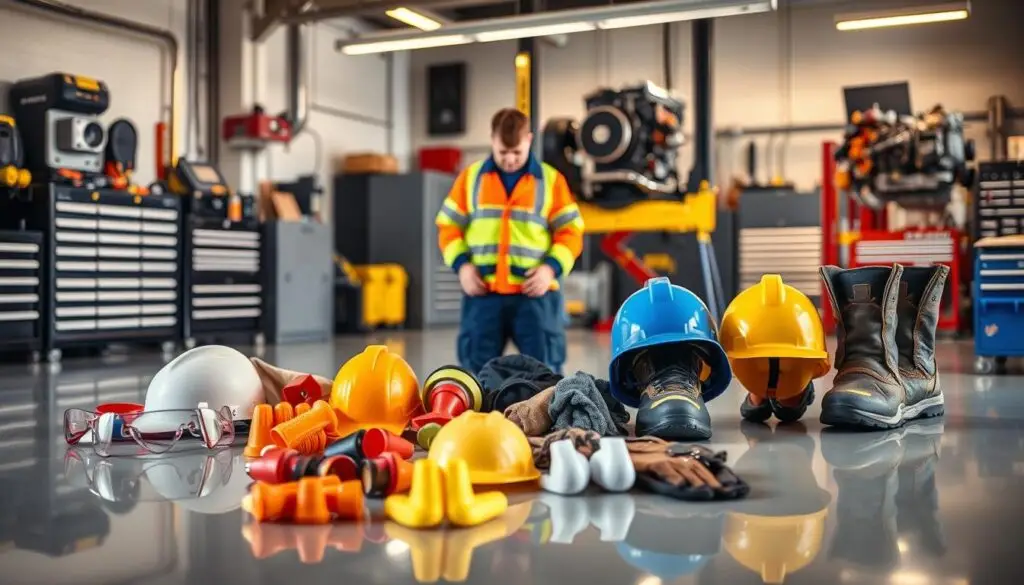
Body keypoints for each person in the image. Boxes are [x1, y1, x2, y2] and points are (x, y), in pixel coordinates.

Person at [435, 108, 584, 375]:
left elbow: (571, 232)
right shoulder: (470, 179)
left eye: (517, 152)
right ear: (492, 139)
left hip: (535, 296)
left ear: (529, 140)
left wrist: (549, 269)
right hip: (483, 295)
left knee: (546, 375)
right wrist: (463, 267)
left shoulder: (551, 181)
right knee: (475, 376)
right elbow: (448, 227)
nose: (510, 159)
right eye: (503, 152)